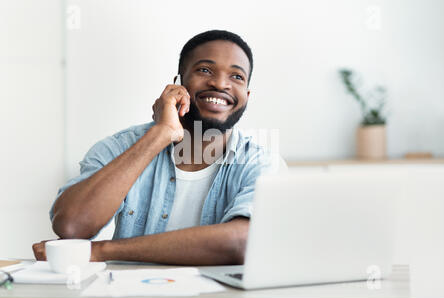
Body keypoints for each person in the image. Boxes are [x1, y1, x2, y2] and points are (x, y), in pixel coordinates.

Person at [32, 30, 285, 265]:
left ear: (246, 96)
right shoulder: (121, 147)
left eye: (236, 76)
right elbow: (72, 226)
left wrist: (99, 251)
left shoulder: (262, 163)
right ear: (178, 83)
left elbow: (242, 243)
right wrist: (161, 134)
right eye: (205, 70)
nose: (220, 84)